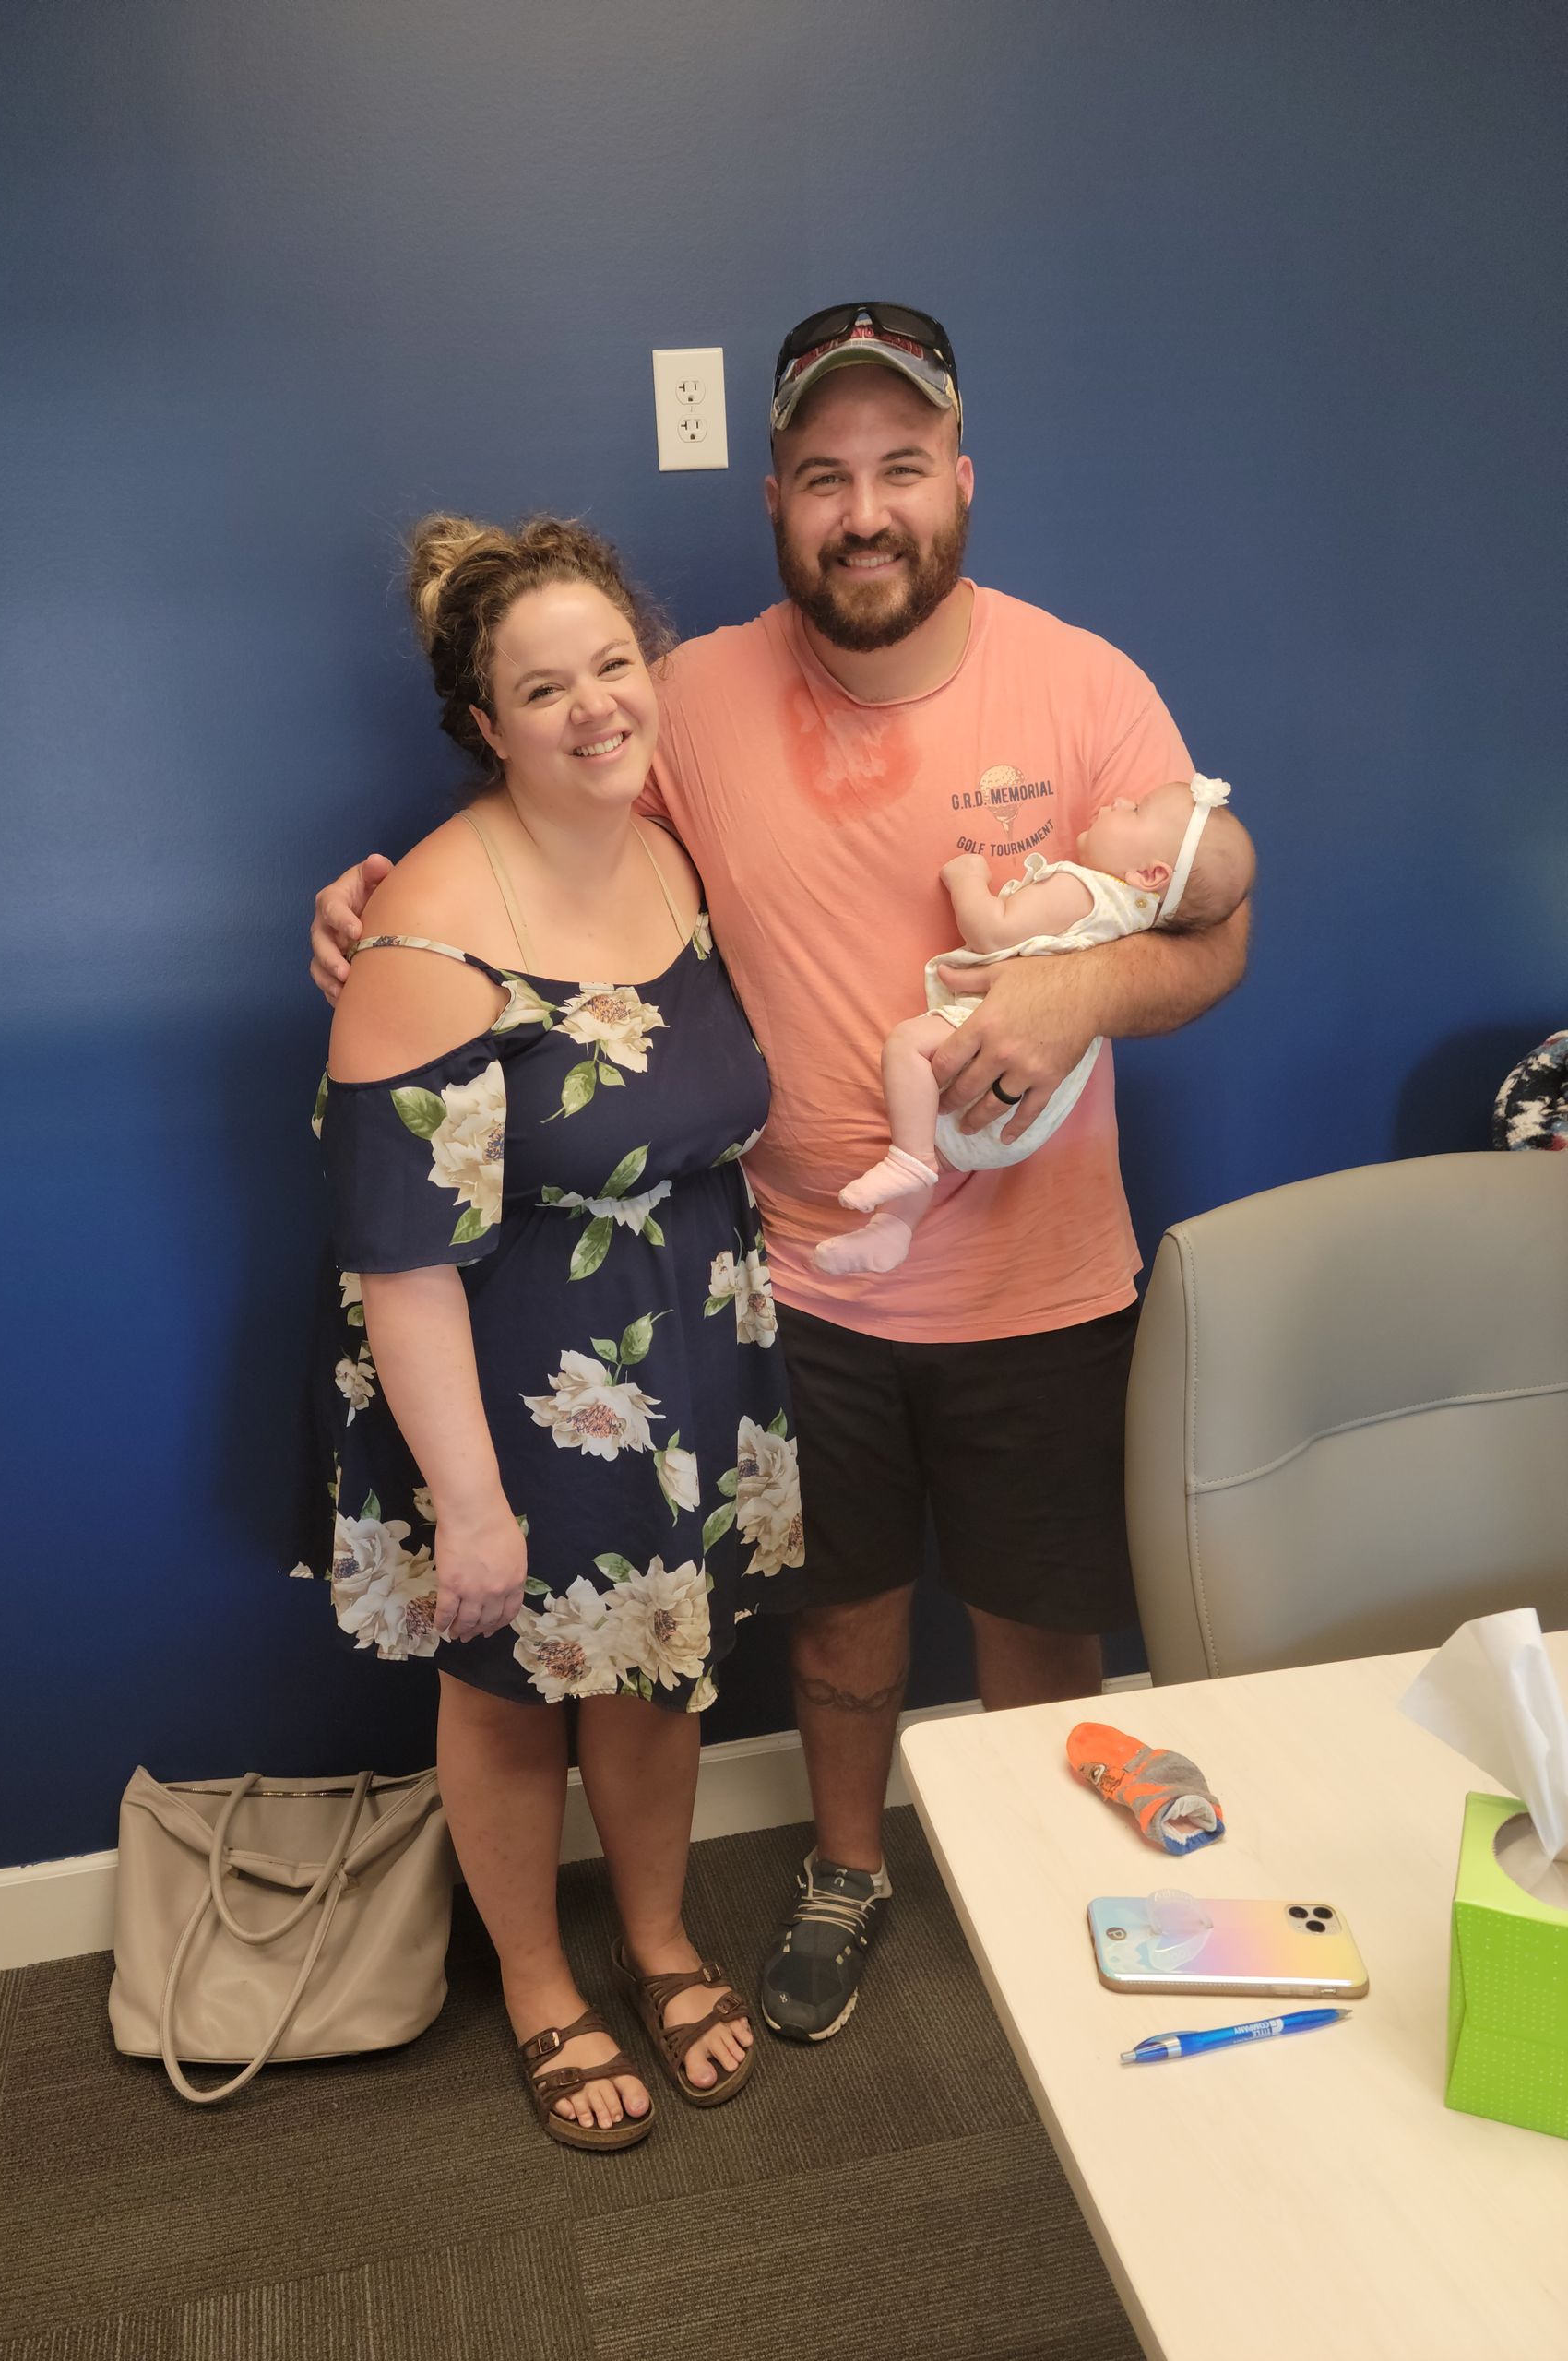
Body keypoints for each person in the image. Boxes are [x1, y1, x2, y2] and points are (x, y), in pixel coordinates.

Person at [310, 303, 1250, 2047]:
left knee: (1047, 1633)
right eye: (827, 475)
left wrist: (1072, 990)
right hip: (798, 1288)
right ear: (773, 501)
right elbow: (547, 825)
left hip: (1046, 1274)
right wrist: (380, 913)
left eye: (902, 467)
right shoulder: (689, 700)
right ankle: (843, 1866)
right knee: (837, 1638)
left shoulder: (1085, 679)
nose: (865, 508)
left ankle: (1067, 1895)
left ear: (961, 482)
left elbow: (1215, 926)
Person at [313, 514, 806, 2148]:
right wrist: (467, 1497)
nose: (596, 707)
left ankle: (658, 1938)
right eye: (545, 687)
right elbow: (398, 1254)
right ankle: (539, 1984)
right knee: (513, 1691)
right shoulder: (428, 937)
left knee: (657, 1676)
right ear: (482, 725)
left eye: (614, 665)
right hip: (518, 1388)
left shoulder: (667, 842)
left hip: (692, 1355)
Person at [820, 777, 1255, 1275]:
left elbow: (992, 931)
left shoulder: (1083, 889)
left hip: (986, 1030)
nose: (1116, 801)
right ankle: (893, 1229)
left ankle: (908, 1160)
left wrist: (966, 876)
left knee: (907, 1047)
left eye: (1134, 810)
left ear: (1150, 873)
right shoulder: (1134, 919)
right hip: (1032, 1108)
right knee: (937, 1135)